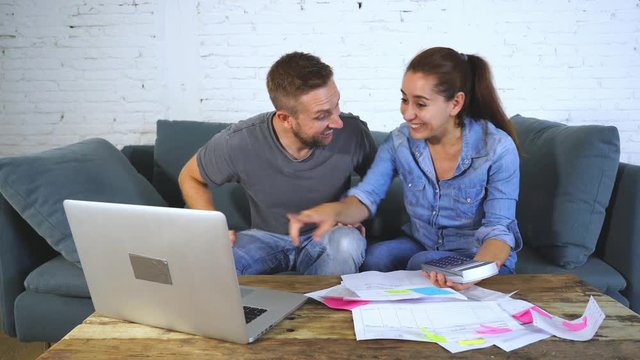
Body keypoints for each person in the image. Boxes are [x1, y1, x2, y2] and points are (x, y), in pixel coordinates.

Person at [288, 47, 522, 290]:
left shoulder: (497, 148)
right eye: (404, 99)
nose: (408, 113)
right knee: (376, 258)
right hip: (423, 244)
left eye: (420, 104)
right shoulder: (401, 141)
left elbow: (498, 230)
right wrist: (333, 211)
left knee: (422, 263)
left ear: (455, 103)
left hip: (478, 254)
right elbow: (366, 197)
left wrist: (470, 274)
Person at [179, 52, 377, 275]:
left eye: (336, 105)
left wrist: (348, 213)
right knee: (213, 260)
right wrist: (211, 229)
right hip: (264, 238)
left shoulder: (353, 133)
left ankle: (326, 307)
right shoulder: (239, 142)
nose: (337, 122)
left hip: (327, 235)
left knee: (347, 243)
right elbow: (190, 176)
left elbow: (378, 183)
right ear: (285, 118)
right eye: (322, 115)